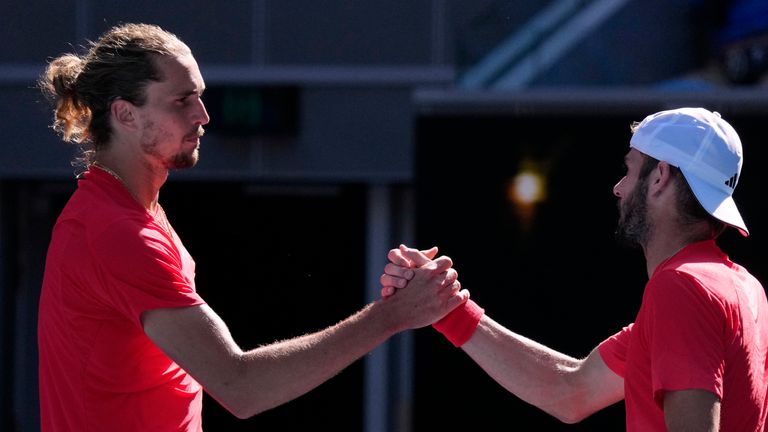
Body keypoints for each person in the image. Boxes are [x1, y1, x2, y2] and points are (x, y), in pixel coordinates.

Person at [37, 23, 469, 431]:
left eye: (200, 96)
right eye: (182, 100)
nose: (203, 115)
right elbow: (240, 386)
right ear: (125, 115)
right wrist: (393, 315)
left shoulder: (128, 212)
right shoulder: (117, 232)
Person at [382, 107, 768, 430]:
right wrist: (446, 307)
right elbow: (571, 390)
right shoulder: (741, 287)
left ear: (660, 178)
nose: (618, 187)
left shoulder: (683, 288)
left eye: (630, 170)